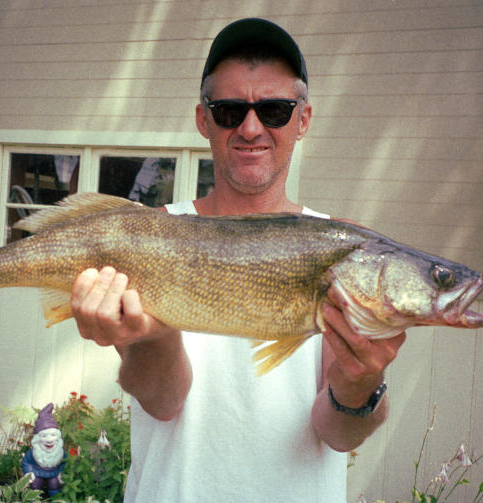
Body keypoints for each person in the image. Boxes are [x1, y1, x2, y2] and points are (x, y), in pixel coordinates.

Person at [71, 18, 406, 502]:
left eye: (274, 109)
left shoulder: (338, 249)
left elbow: (338, 434)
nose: (251, 128)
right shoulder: (149, 235)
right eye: (230, 110)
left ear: (304, 119)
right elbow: (164, 403)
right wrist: (154, 335)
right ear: (203, 119)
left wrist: (363, 381)